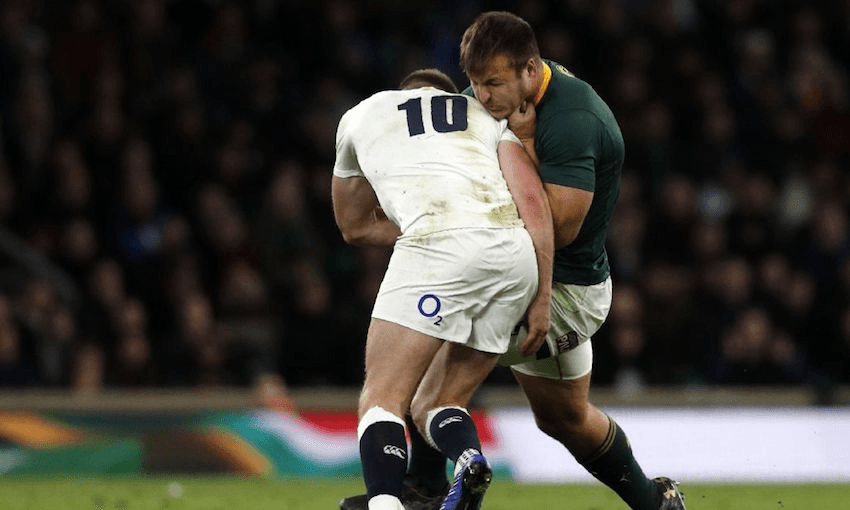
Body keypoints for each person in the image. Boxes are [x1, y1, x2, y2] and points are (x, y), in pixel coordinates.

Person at [339, 11, 686, 510]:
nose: (481, 97)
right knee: (565, 419)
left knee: (426, 382)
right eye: (475, 83)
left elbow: (558, 227)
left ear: (530, 69)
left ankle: (425, 490)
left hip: (565, 289)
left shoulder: (572, 119)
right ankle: (657, 503)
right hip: (521, 273)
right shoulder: (504, 100)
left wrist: (521, 146)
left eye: (493, 83)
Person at [332, 68, 554, 510]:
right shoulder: (486, 117)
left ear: (404, 92)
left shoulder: (363, 113)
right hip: (514, 255)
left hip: (438, 241)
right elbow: (532, 202)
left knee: (382, 397)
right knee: (436, 400)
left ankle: (385, 504)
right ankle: (468, 457)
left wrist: (425, 239)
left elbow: (353, 226)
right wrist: (543, 295)